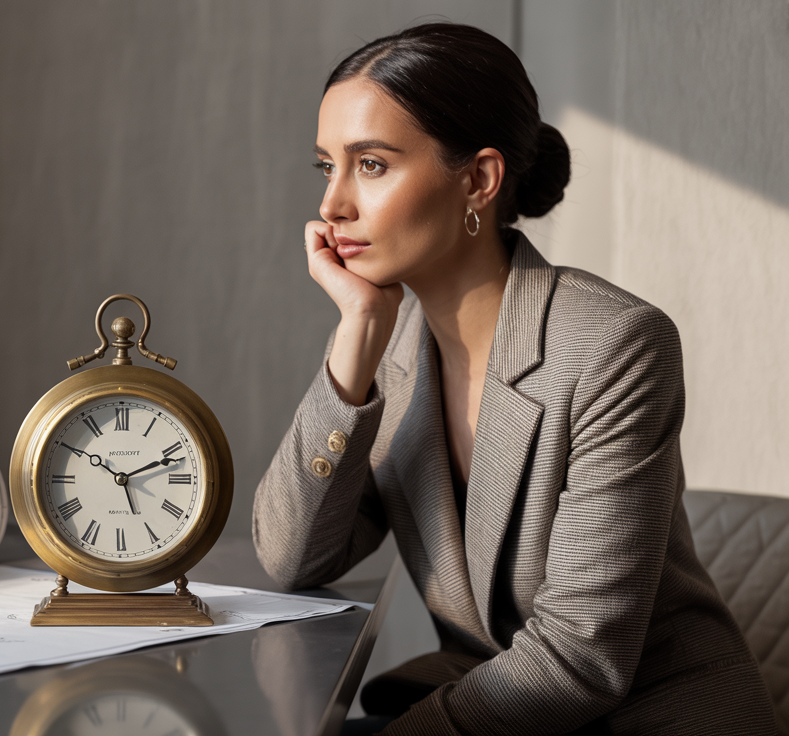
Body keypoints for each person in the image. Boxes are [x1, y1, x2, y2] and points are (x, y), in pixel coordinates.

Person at [252, 23, 778, 736]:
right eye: (326, 167)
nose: (332, 205)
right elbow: (291, 558)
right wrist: (354, 347)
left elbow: (580, 657)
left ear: (478, 179)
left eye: (371, 165)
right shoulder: (394, 348)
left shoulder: (614, 345)